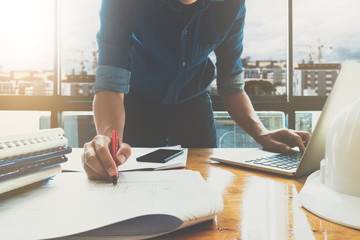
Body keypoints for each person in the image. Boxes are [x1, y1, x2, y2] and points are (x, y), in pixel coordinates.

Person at [82, 0, 311, 181]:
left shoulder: (231, 5)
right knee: (128, 183)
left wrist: (261, 133)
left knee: (203, 184)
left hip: (194, 106)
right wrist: (108, 139)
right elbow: (111, 81)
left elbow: (231, 84)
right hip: (136, 104)